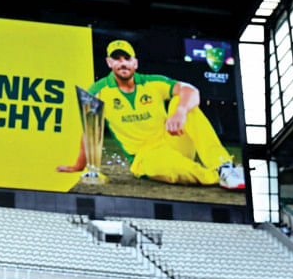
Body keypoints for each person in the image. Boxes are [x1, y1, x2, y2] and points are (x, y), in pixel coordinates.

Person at [57, 39, 245, 190]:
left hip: (172, 140)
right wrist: (79, 165)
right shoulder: (98, 91)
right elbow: (90, 130)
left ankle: (224, 166)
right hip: (145, 157)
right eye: (117, 59)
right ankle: (216, 176)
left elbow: (191, 91)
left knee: (182, 102)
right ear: (109, 62)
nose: (122, 63)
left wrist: (180, 112)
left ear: (135, 63)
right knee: (171, 167)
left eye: (127, 58)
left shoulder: (152, 82)